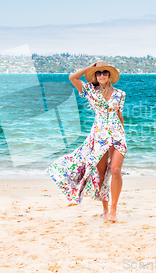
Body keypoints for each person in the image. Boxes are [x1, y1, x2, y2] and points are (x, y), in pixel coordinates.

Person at [46, 61, 127, 222]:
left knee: (116, 170)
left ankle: (113, 210)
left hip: (117, 134)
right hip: (99, 135)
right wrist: (89, 68)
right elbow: (72, 77)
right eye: (98, 73)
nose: (102, 75)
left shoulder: (120, 94)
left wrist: (123, 133)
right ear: (95, 76)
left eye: (105, 72)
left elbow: (119, 115)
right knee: (102, 173)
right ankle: (105, 209)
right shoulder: (90, 90)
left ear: (109, 75)